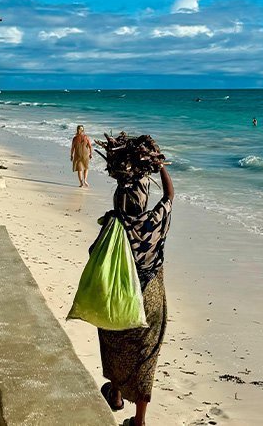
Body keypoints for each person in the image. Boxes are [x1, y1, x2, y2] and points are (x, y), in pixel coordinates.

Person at [98, 162, 174, 426]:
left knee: (115, 344)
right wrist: (161, 166)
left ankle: (116, 396)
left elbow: (94, 253)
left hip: (118, 296)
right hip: (149, 299)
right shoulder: (154, 222)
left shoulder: (112, 223)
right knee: (146, 355)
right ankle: (139, 421)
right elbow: (169, 196)